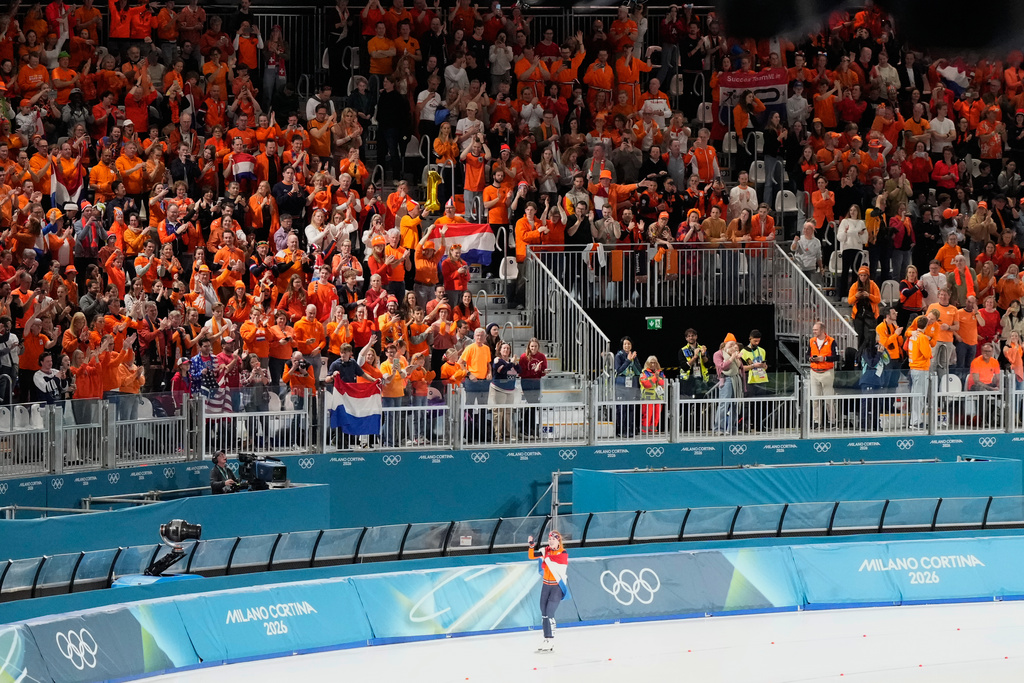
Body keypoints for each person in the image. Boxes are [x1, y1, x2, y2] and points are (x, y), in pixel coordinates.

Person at [528, 530, 568, 654]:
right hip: (546, 585)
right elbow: (532, 556)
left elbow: (556, 559)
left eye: (553, 539)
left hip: (557, 587)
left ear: (558, 541)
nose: (550, 541)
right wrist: (531, 546)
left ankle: (551, 640)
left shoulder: (563, 553)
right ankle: (546, 639)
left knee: (550, 612)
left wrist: (545, 556)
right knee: (544, 613)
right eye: (549, 539)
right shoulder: (546, 551)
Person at [809, 321, 839, 428]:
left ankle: (832, 421)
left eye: (816, 330)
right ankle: (817, 422)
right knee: (815, 399)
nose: (814, 331)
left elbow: (837, 357)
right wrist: (811, 358)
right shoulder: (811, 341)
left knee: (828, 399)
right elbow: (809, 353)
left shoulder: (831, 341)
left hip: (827, 372)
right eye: (813, 329)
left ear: (822, 330)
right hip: (814, 372)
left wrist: (824, 358)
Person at [613, 336, 642, 437]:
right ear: (622, 345)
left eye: (629, 344)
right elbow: (619, 370)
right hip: (621, 384)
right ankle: (621, 430)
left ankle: (631, 430)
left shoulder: (633, 355)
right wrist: (628, 361)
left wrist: (633, 361)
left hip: (632, 384)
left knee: (631, 408)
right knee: (622, 408)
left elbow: (639, 371)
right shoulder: (618, 356)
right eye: (625, 344)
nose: (627, 346)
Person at [848, 266, 881, 350]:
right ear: (859, 276)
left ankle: (869, 355)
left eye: (865, 275)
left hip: (870, 314)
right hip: (858, 315)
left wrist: (869, 295)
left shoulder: (873, 285)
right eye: (861, 275)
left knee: (869, 337)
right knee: (860, 337)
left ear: (868, 276)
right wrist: (856, 296)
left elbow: (878, 299)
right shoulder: (855, 286)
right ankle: (860, 356)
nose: (863, 277)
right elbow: (850, 301)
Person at [638, 355, 666, 435]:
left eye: (654, 363)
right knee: (647, 415)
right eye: (651, 363)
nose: (653, 364)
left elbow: (664, 383)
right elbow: (646, 384)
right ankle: (644, 431)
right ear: (647, 363)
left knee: (656, 416)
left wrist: (657, 378)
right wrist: (655, 378)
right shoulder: (644, 373)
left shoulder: (660, 372)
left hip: (658, 398)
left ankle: (654, 431)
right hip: (647, 398)